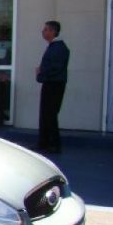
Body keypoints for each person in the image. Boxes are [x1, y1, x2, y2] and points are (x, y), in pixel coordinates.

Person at [35, 20, 70, 153]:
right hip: (50, 83)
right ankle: (44, 142)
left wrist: (41, 73)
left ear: (53, 31)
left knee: (50, 114)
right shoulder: (54, 47)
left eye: (45, 29)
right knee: (45, 113)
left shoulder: (59, 48)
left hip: (54, 85)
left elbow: (54, 68)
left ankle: (54, 144)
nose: (43, 32)